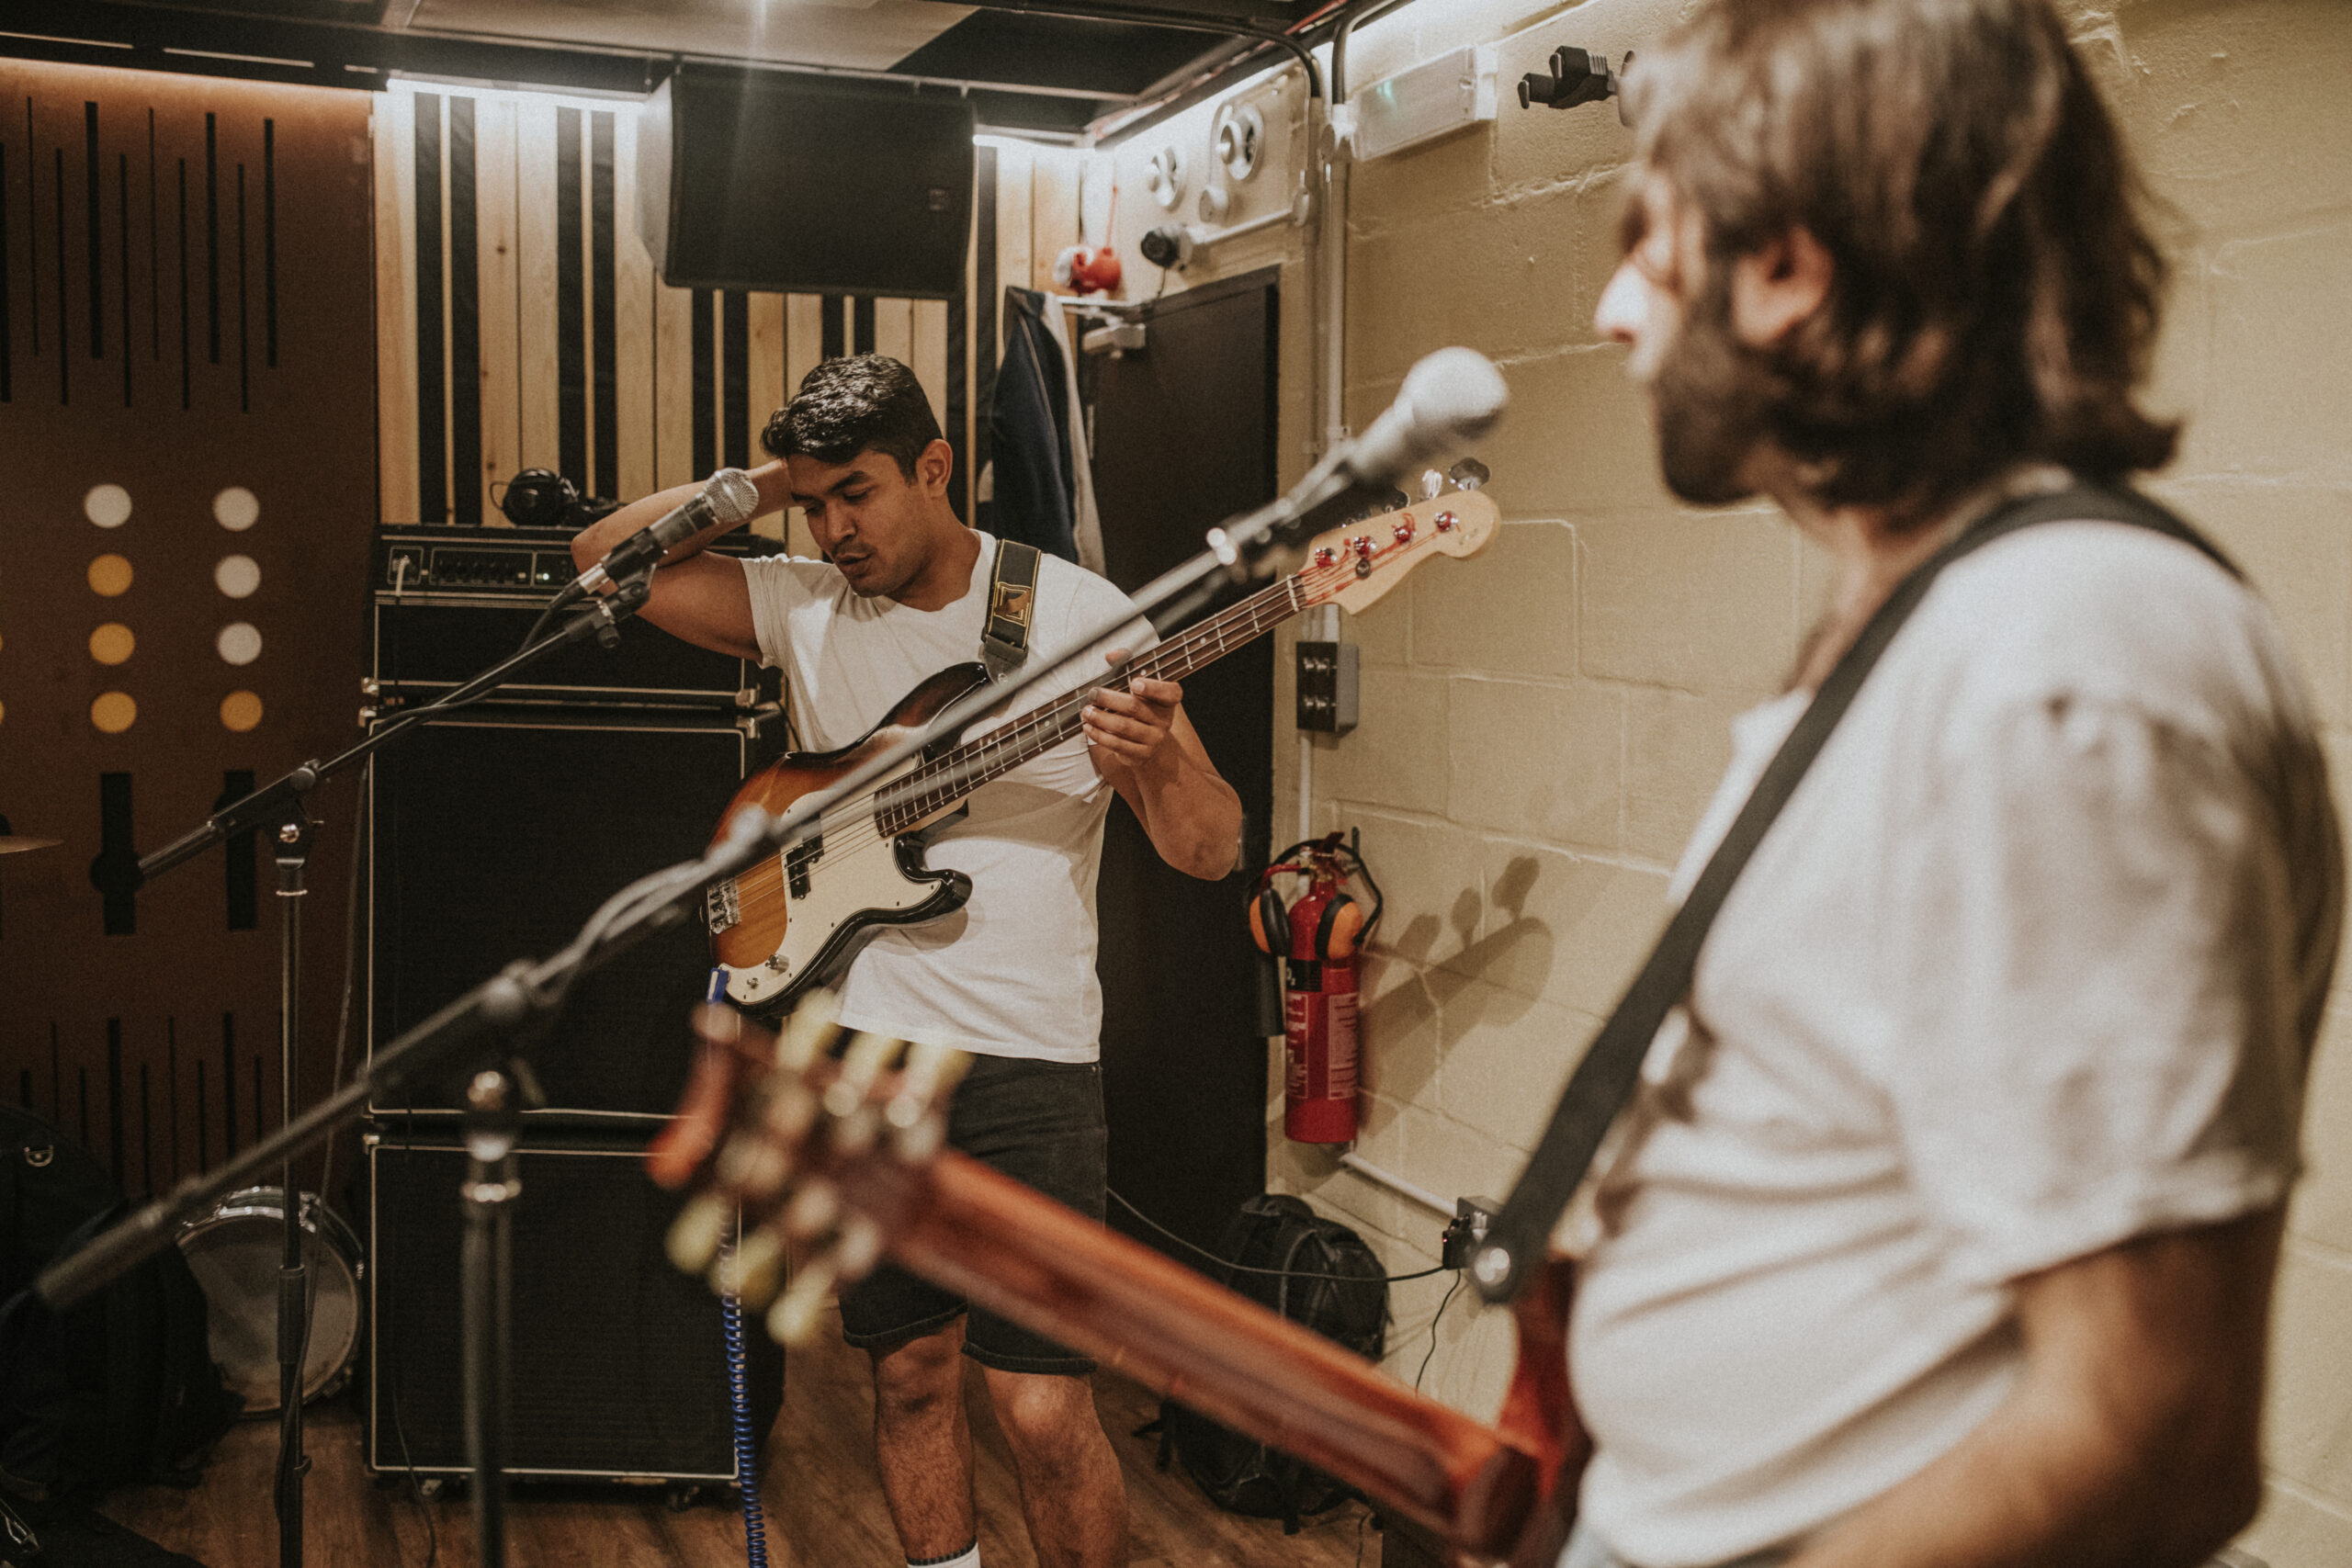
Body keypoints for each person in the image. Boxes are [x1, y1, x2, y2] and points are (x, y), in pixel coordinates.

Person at [1553, 3, 2344, 1567]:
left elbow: (2152, 1434)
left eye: (1651, 242)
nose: (1610, 311)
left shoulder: (2057, 665)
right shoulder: (1939, 628)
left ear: (1788, 266)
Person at [572, 355, 1242, 1568]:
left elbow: (1208, 850)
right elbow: (602, 559)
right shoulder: (802, 599)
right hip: (862, 1052)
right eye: (813, 502)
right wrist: (767, 484)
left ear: (935, 468)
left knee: (1041, 1406)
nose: (834, 529)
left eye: (858, 494)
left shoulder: (1079, 615)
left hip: (1030, 1056)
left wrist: (1153, 757)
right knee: (911, 1378)